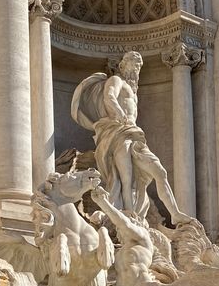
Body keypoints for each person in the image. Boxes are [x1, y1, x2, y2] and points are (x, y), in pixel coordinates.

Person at [71, 52, 190, 226]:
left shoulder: (133, 91)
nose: (136, 68)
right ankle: (129, 215)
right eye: (132, 64)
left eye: (138, 66)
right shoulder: (116, 81)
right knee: (126, 179)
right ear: (122, 66)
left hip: (134, 134)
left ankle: (175, 214)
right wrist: (118, 112)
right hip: (117, 132)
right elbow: (109, 96)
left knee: (159, 172)